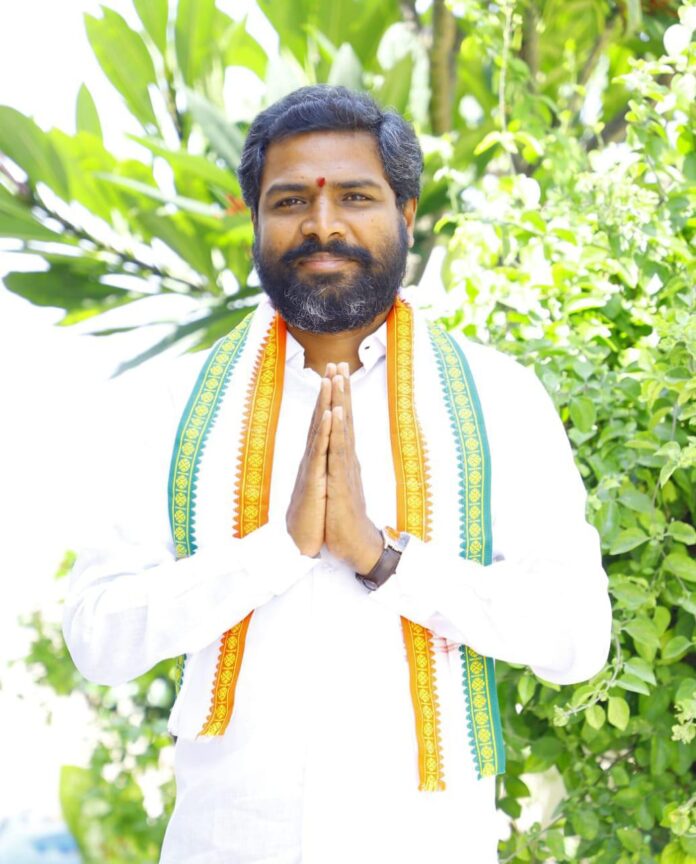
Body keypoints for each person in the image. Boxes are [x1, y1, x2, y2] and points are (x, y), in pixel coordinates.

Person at [63, 85, 612, 864]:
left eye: (355, 196)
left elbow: (577, 636)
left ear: (407, 214)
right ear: (254, 223)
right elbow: (97, 636)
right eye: (290, 201)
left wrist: (384, 559)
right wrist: (273, 554)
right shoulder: (173, 403)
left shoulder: (500, 398)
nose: (323, 224)